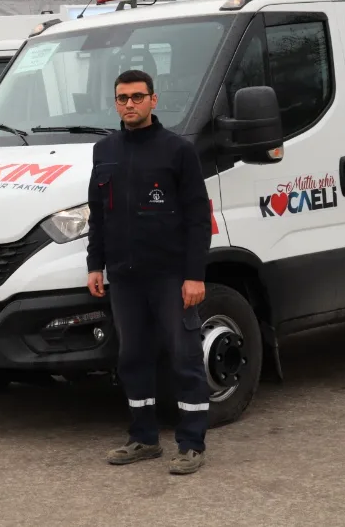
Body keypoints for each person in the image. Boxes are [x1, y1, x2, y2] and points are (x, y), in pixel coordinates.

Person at [87, 69, 212, 475]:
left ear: (153, 101)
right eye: (122, 98)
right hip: (124, 277)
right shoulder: (104, 150)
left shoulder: (177, 150)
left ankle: (192, 444)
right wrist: (95, 265)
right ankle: (143, 439)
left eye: (137, 97)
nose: (129, 104)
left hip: (170, 277)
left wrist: (194, 275)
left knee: (184, 356)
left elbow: (197, 218)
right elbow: (97, 215)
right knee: (133, 357)